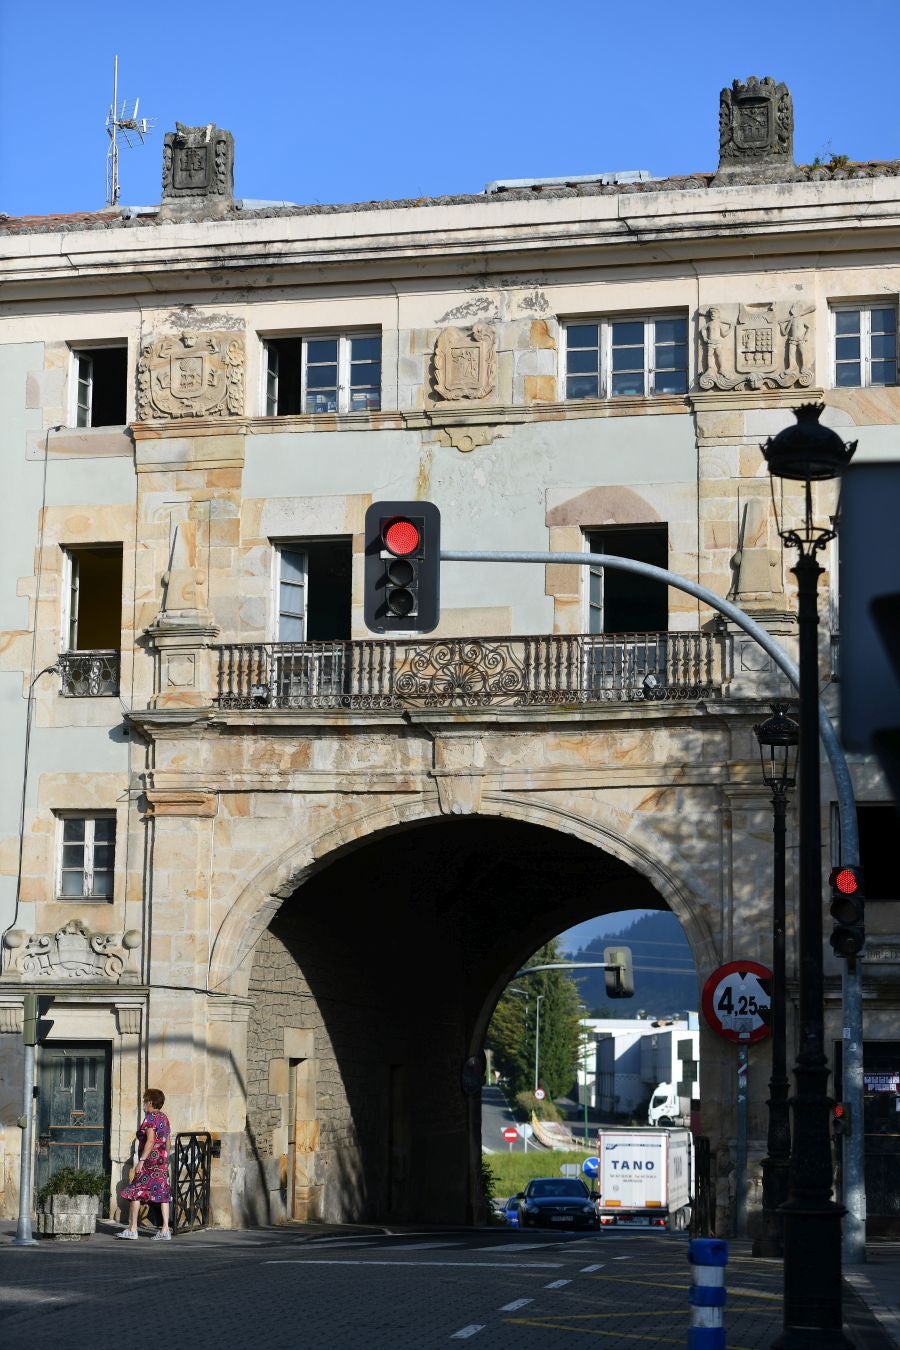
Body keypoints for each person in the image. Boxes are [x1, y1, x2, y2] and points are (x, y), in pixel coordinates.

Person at [118, 1088, 173, 1241]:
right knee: (162, 1194)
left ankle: (132, 1229)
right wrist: (166, 1158)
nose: (144, 1104)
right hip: (161, 1161)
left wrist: (141, 1161)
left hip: (149, 1162)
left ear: (150, 1102)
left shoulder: (150, 1118)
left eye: (145, 1101)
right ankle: (165, 1230)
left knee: (135, 1191)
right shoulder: (164, 1118)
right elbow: (167, 1141)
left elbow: (150, 1140)